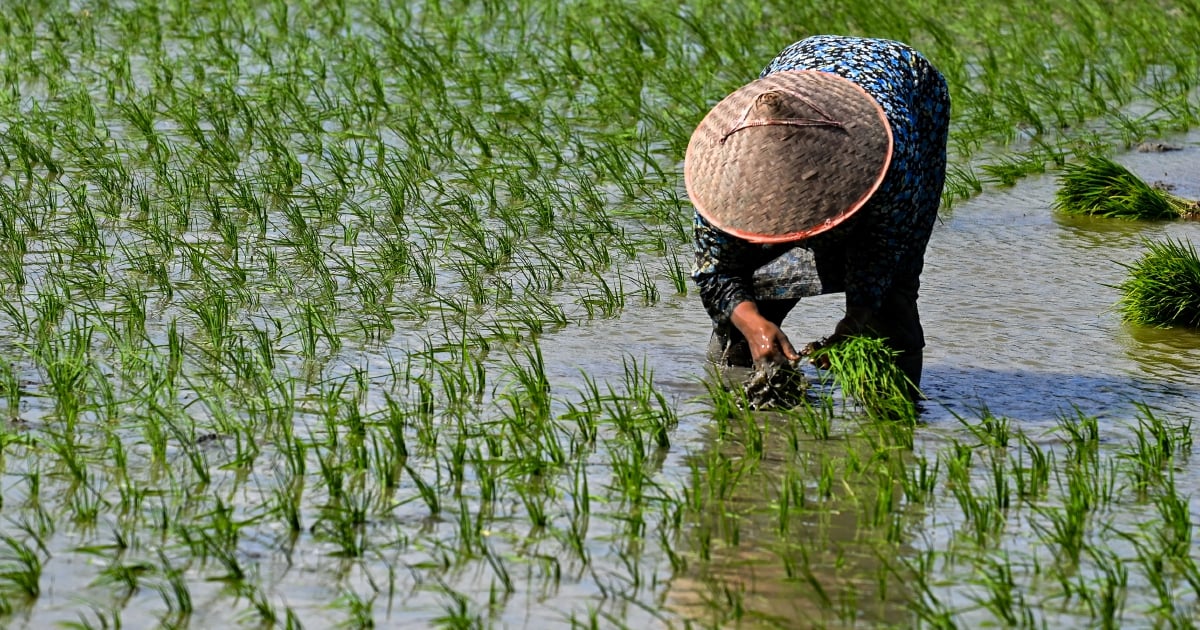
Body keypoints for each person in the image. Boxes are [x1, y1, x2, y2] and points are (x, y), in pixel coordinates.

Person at [685, 35, 950, 396]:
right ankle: (735, 405)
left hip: (906, 89)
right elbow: (717, 271)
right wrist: (752, 325)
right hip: (800, 66)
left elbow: (883, 252)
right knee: (745, 312)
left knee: (893, 296)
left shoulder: (891, 166)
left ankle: (898, 418)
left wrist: (855, 321)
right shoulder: (723, 176)